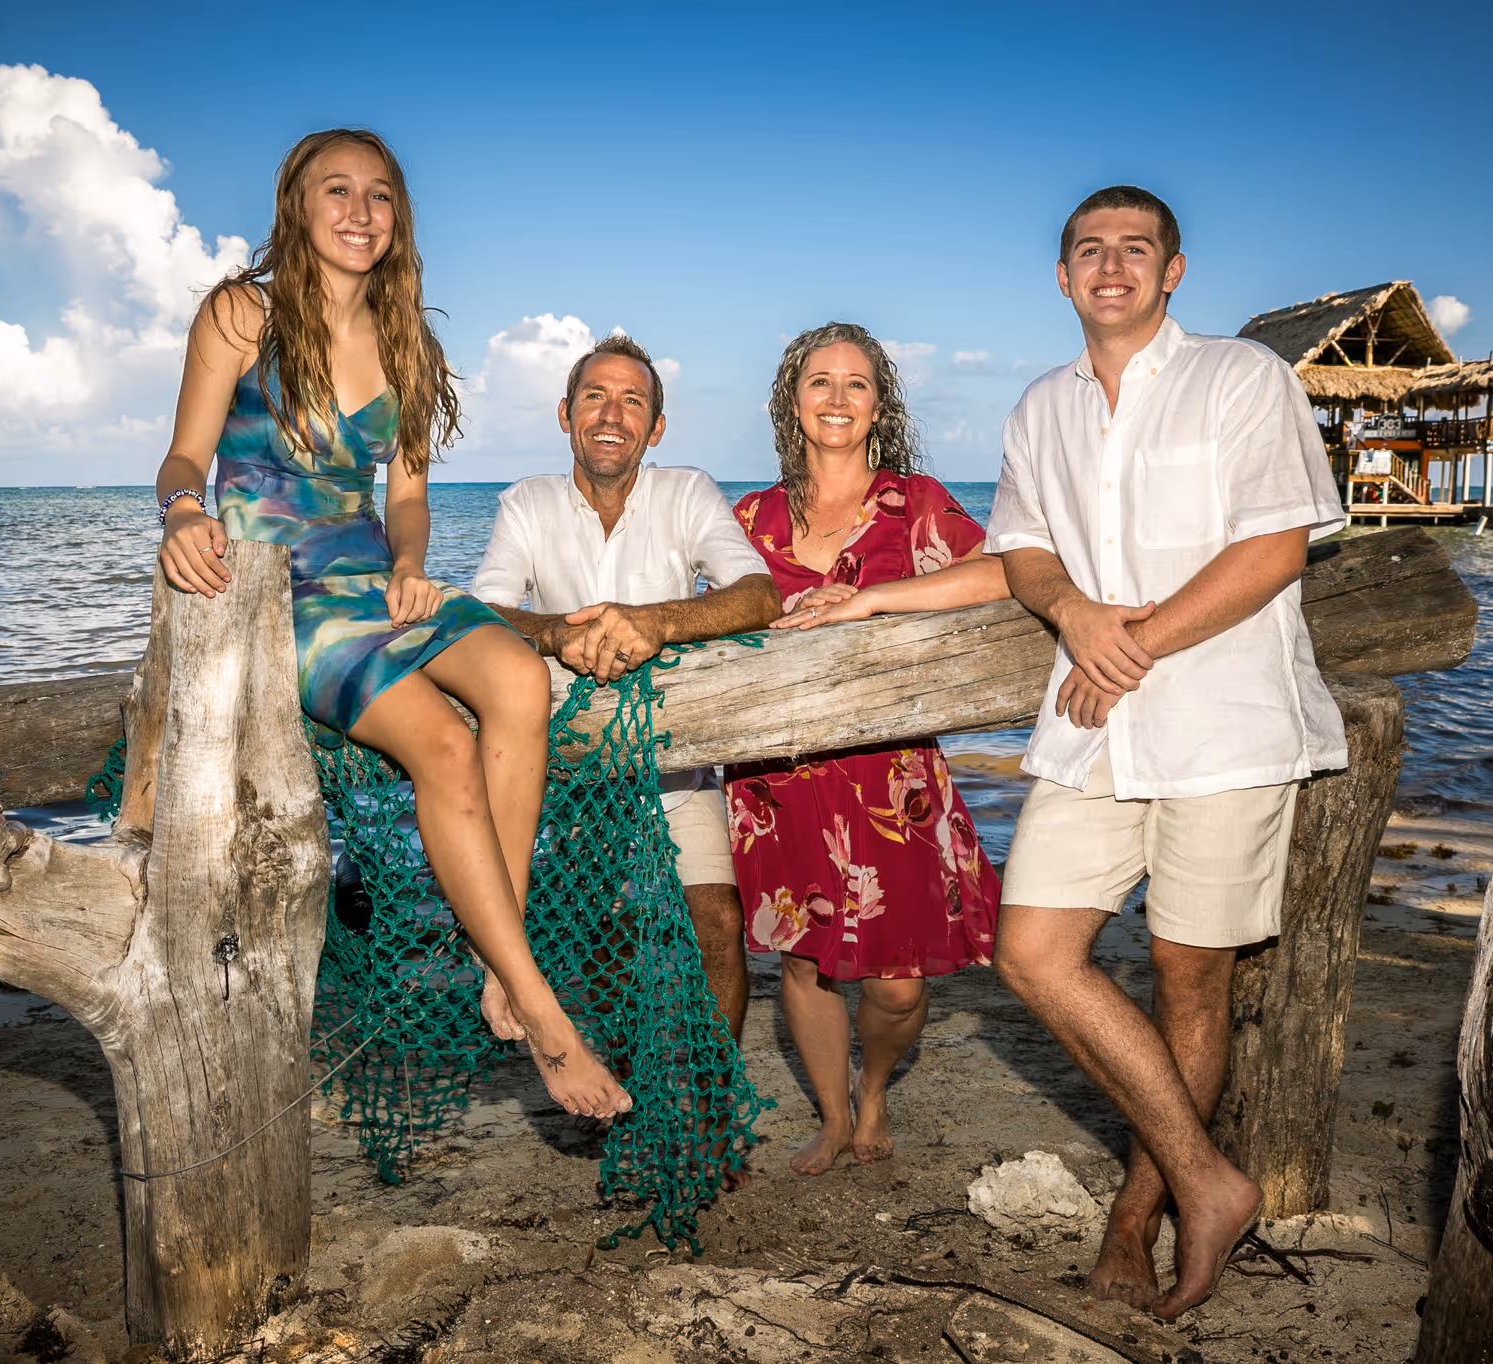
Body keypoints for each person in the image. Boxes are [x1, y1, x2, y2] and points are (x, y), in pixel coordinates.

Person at [150, 127, 630, 1120]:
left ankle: (498, 957)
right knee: (444, 744)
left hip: (373, 572)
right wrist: (184, 513)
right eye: (338, 190)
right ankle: (542, 1010)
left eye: (379, 195)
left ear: (399, 218)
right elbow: (184, 456)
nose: (360, 212)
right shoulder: (242, 313)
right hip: (274, 595)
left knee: (521, 679)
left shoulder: (409, 340)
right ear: (297, 205)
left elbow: (406, 498)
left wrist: (411, 564)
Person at [985, 185, 1347, 1319]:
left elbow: (1276, 546)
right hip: (1092, 723)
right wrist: (1073, 613)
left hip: (1224, 723)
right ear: (1062, 276)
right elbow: (1023, 549)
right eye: (1090, 250)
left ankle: (1136, 1219)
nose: (1112, 266)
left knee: (1189, 974)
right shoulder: (1040, 404)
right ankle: (1209, 1181)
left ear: (1172, 270)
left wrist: (1126, 643)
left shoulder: (1242, 376)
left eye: (1135, 249)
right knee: (1032, 950)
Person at [726, 322, 1010, 1176]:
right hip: (776, 780)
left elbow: (1003, 573)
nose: (838, 398)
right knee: (806, 966)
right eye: (820, 382)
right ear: (793, 403)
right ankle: (835, 1114)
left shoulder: (913, 504)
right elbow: (709, 617)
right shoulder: (748, 519)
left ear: (879, 406)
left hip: (892, 783)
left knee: (898, 983)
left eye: (857, 384)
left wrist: (872, 601)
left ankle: (876, 1088)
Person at [470, 333, 781, 1045]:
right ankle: (631, 1082)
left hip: (679, 765)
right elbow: (482, 611)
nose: (611, 416)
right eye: (595, 397)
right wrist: (555, 633)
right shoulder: (526, 502)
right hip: (574, 773)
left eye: (632, 401)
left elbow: (760, 595)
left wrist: (657, 622)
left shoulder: (687, 491)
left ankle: (715, 1090)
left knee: (716, 922)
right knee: (604, 936)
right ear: (565, 413)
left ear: (656, 427)